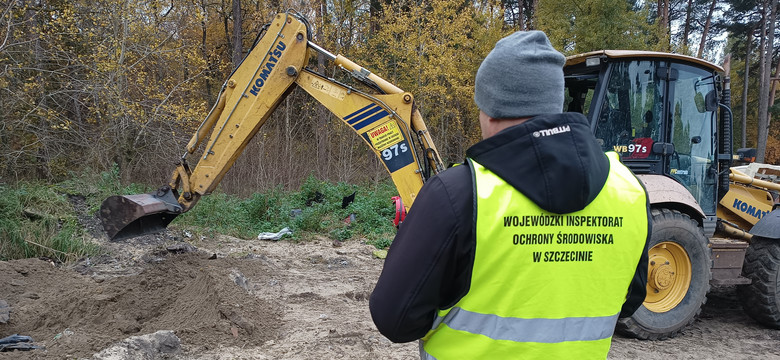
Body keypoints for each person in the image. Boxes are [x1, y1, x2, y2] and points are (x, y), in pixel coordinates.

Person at [369, 31, 650, 359]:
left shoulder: (459, 194)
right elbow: (629, 300)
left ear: (490, 110)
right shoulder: (629, 191)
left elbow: (394, 320)